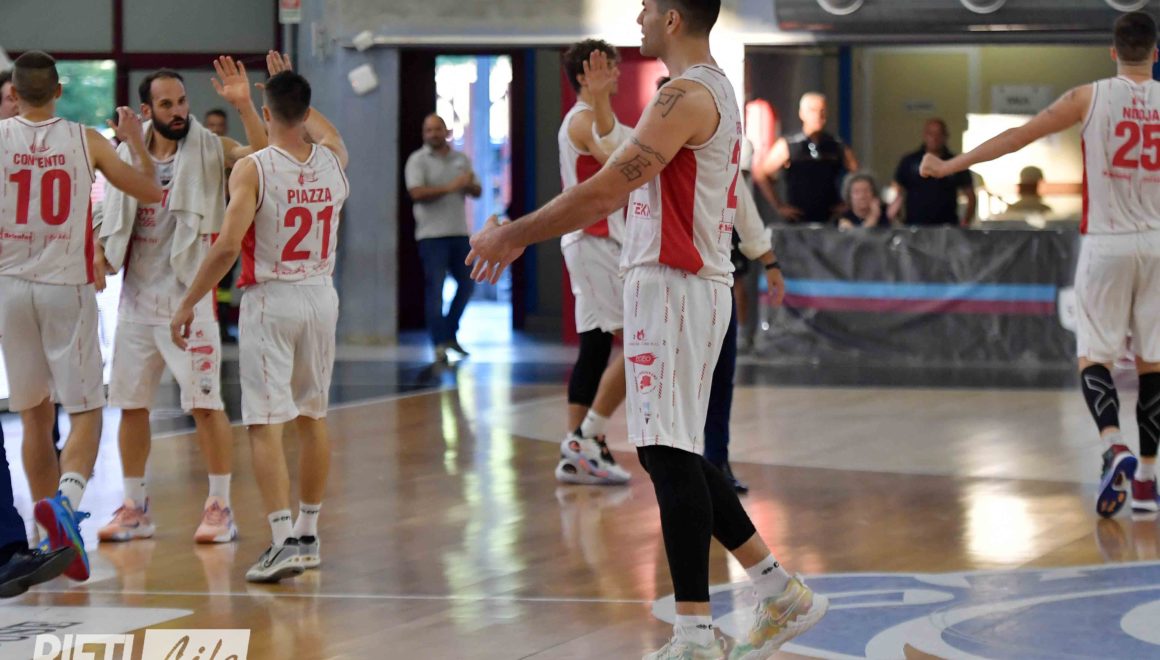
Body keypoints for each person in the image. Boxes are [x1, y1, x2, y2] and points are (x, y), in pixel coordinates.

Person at [465, 1, 828, 656]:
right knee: (676, 452)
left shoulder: (684, 96)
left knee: (667, 454)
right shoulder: (704, 91)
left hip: (675, 286)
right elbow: (618, 165)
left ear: (673, 19)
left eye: (647, 8)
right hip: (682, 286)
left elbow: (605, 190)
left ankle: (697, 633)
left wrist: (513, 234)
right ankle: (776, 593)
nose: (637, 17)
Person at [921, 10, 1160, 517]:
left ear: (1113, 52)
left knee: (1093, 356)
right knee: (1153, 364)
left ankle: (1113, 442)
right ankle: (1146, 482)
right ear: (1155, 54)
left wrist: (948, 165)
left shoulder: (1088, 96)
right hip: (1158, 244)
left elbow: (1018, 137)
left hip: (1107, 241)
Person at [172, 51, 349, 583]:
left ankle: (281, 540)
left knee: (264, 423)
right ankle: (308, 533)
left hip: (271, 298)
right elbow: (321, 129)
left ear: (267, 113)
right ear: (307, 112)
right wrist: (281, 86)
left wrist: (188, 301)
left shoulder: (253, 168)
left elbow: (228, 246)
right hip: (321, 295)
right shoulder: (334, 160)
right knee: (312, 416)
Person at [0, 51, 162, 583]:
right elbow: (149, 191)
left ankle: (48, 535)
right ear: (59, 90)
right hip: (64, 286)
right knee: (88, 408)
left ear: (13, 93)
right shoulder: (86, 140)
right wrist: (136, 143)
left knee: (34, 414)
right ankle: (66, 502)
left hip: (8, 288)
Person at [96, 59, 269, 545]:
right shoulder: (124, 153)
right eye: (166, 104)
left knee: (206, 406)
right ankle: (135, 507)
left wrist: (244, 106)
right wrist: (99, 255)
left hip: (191, 302)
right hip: (136, 302)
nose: (178, 111)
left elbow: (263, 155)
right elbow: (104, 214)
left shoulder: (211, 147)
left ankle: (220, 507)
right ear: (147, 110)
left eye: (182, 101)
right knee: (131, 406)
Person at [555, 40, 632, 486]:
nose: (617, 74)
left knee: (596, 348)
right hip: (595, 242)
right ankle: (588, 437)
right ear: (586, 76)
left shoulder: (590, 118)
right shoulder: (584, 120)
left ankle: (577, 451)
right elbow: (625, 164)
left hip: (592, 242)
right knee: (642, 342)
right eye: (609, 68)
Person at [404, 114, 481, 362]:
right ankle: (439, 344)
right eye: (428, 130)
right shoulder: (417, 160)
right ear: (423, 134)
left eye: (437, 129)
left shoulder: (460, 159)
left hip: (459, 232)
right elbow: (416, 193)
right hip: (431, 236)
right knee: (435, 289)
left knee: (468, 284)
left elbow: (477, 190)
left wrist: (467, 185)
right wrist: (452, 186)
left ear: (446, 131)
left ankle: (449, 333)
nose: (433, 134)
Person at [754, 92, 858, 224]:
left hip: (830, 219)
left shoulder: (836, 144)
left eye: (822, 111)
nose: (818, 116)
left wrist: (848, 204)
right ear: (802, 114)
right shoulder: (789, 144)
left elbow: (857, 174)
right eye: (813, 110)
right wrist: (779, 206)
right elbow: (760, 174)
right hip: (798, 220)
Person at [889, 118, 975, 226]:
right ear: (924, 135)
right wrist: (897, 217)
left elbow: (970, 195)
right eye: (931, 134)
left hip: (947, 226)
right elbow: (897, 191)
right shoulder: (909, 161)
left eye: (939, 134)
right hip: (914, 225)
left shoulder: (955, 163)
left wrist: (966, 222)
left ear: (945, 136)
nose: (934, 138)